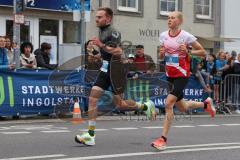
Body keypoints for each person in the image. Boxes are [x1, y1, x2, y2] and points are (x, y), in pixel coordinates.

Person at [75, 7, 156, 146]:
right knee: (92, 98)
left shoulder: (113, 32)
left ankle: (145, 106)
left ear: (108, 18)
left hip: (116, 71)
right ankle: (90, 135)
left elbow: (118, 51)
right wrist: (95, 55)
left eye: (100, 17)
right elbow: (106, 54)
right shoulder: (102, 31)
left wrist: (100, 45)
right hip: (105, 69)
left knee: (120, 104)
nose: (96, 19)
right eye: (96, 17)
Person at [151, 11, 216, 151]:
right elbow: (162, 55)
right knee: (182, 107)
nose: (169, 20)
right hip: (169, 74)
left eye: (172, 18)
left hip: (182, 74)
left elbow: (203, 52)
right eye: (168, 18)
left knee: (168, 103)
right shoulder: (163, 35)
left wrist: (188, 51)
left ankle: (163, 139)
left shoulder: (186, 36)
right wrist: (161, 54)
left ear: (179, 21)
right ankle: (206, 105)